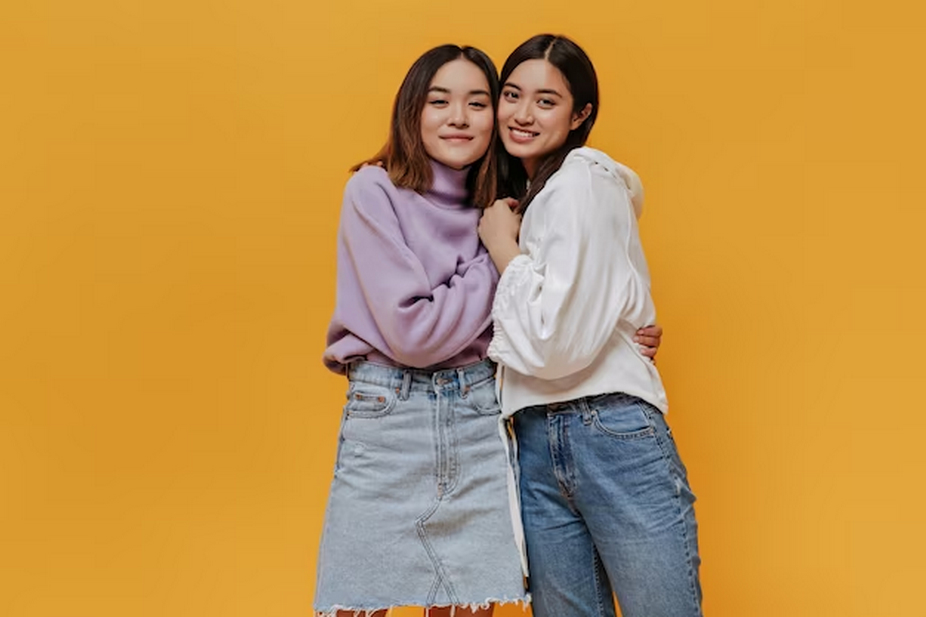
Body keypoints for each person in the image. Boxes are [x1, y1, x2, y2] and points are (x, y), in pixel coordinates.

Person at [478, 34, 703, 617]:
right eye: (512, 95)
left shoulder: (581, 178)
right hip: (533, 435)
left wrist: (504, 250)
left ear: (580, 115)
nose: (523, 115)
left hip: (608, 430)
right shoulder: (529, 197)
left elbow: (554, 343)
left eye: (547, 101)